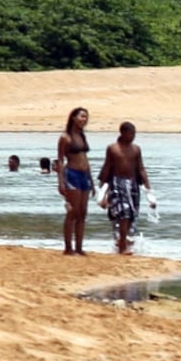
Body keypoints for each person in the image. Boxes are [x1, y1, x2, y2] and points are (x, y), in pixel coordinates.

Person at [100, 121, 150, 255]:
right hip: (117, 183)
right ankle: (122, 246)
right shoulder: (113, 148)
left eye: (134, 134)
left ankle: (122, 239)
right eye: (130, 133)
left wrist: (147, 187)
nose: (133, 136)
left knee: (132, 215)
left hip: (133, 184)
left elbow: (140, 167)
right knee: (123, 214)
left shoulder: (136, 149)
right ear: (123, 133)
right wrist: (102, 191)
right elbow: (107, 167)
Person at [55, 107, 93, 255]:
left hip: (84, 175)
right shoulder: (65, 137)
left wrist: (91, 180)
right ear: (73, 118)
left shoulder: (82, 136)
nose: (85, 120)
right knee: (73, 212)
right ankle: (68, 247)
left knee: (83, 213)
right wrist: (61, 182)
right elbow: (60, 160)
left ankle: (79, 247)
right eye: (82, 116)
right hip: (72, 174)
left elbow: (85, 159)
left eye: (86, 117)